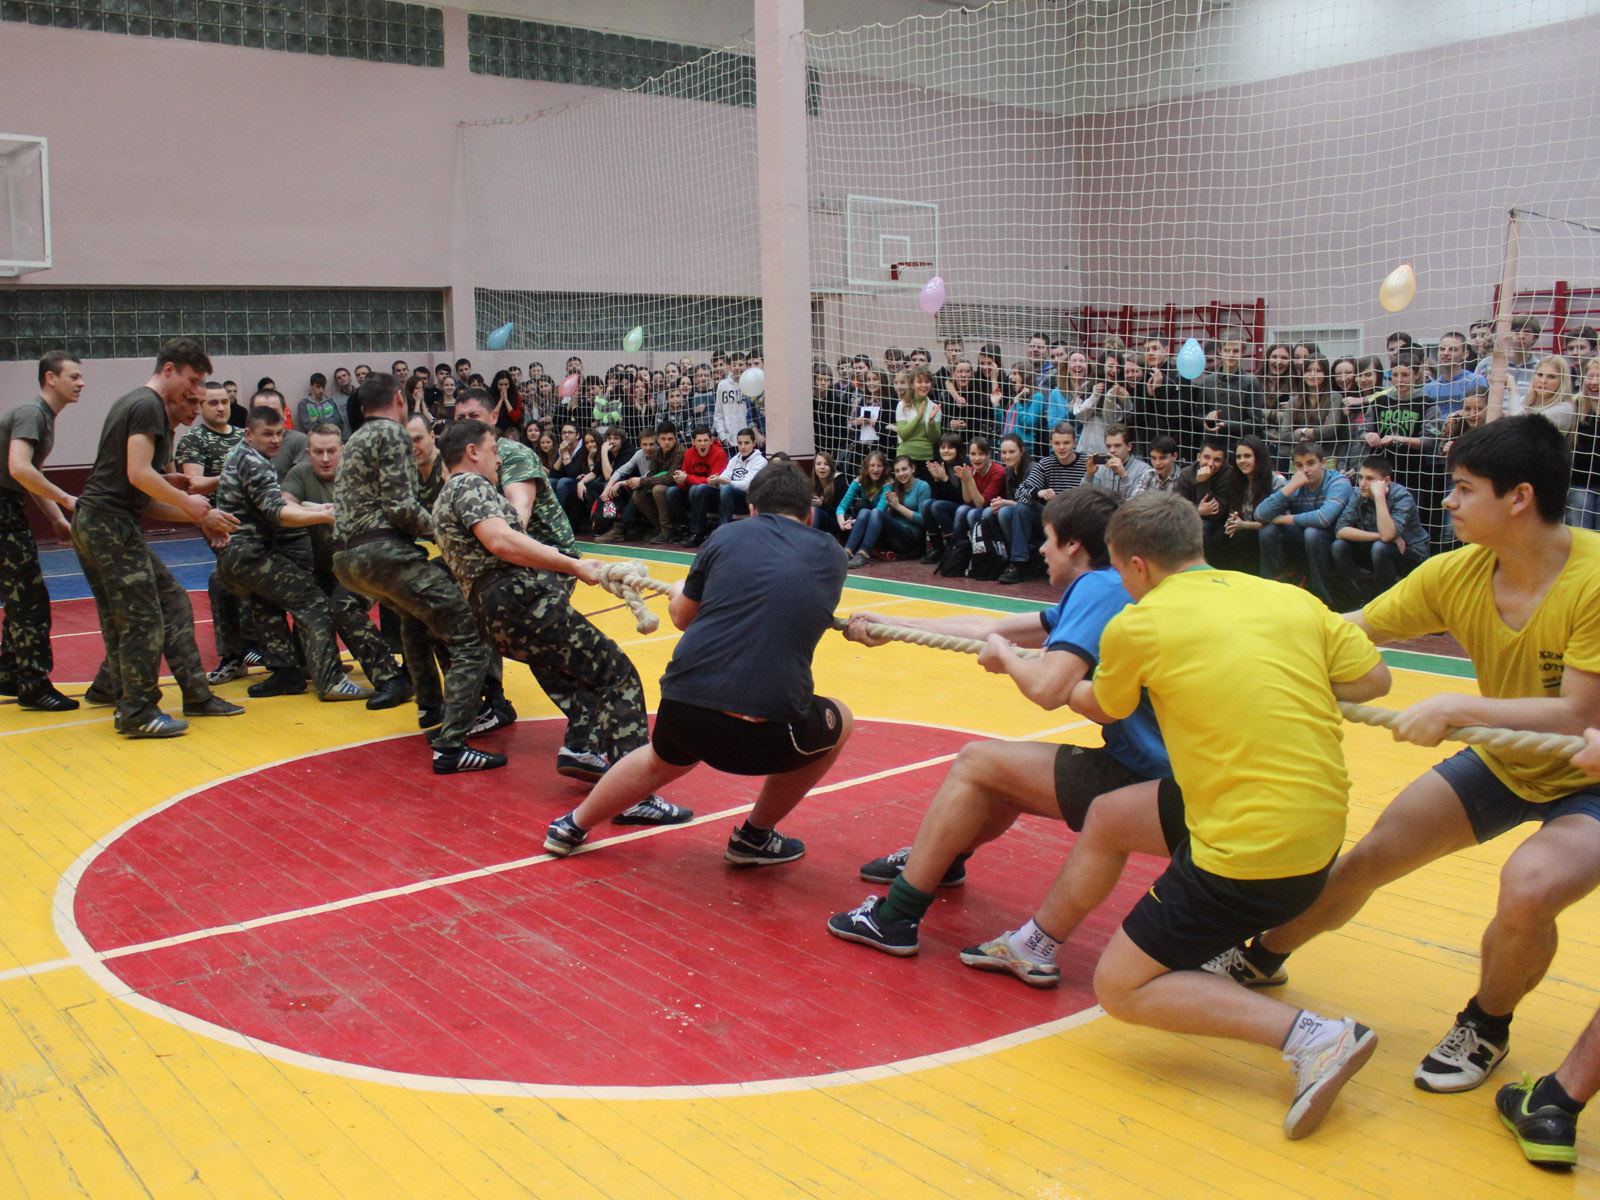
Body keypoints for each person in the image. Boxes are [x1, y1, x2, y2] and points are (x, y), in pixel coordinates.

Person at [1209, 415, 1600, 1097]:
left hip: (1588, 776)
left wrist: (1457, 708)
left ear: (1520, 498)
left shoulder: (1592, 579)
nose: (1448, 501)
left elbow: (1578, 714)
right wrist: (1248, 652)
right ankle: (1264, 956)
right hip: (1505, 759)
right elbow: (1351, 630)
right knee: (1371, 859)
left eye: (1464, 488)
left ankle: (1485, 1026)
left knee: (1529, 889)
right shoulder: (1455, 573)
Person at [1061, 492, 1389, 1139]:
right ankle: (1039, 941)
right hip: (1320, 832)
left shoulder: (1139, 623)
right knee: (1113, 815)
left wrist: (1033, 671)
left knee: (1120, 987)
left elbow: (1103, 705)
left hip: (1253, 858)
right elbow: (1374, 681)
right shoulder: (1287, 599)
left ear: (1137, 565)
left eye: (1120, 572)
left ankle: (1314, 1037)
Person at [827, 488, 1170, 970]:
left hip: (1151, 779)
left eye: (1047, 538)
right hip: (1165, 770)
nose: (1041, 549)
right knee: (1003, 773)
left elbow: (1047, 688)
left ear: (1073, 545)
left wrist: (1006, 660)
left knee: (977, 762)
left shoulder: (1099, 588)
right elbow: (993, 629)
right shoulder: (1115, 590)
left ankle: (895, 917)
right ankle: (941, 858)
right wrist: (890, 623)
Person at [543, 463, 852, 864]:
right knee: (842, 719)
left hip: (684, 711)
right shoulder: (832, 553)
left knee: (661, 759)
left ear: (752, 509)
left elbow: (682, 617)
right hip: (765, 733)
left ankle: (571, 825)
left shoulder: (725, 535)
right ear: (809, 515)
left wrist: (679, 592)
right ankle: (755, 836)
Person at [429, 419, 688, 826]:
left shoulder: (445, 496)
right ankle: (635, 795)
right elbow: (501, 540)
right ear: (471, 452)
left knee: (583, 674)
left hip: (493, 612)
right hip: (518, 599)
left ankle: (583, 746)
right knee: (617, 673)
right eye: (493, 450)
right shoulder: (469, 485)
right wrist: (574, 565)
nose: (499, 460)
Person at [71, 337, 243, 737]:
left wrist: (196, 514)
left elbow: (140, 494)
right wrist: (191, 504)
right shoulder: (147, 404)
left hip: (103, 521)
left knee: (170, 602)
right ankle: (136, 711)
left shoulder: (138, 405)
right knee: (141, 618)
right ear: (169, 369)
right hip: (108, 524)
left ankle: (186, 695)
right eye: (192, 381)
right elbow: (138, 475)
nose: (196, 394)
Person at [333, 373, 501, 774]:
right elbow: (401, 508)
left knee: (413, 619)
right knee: (470, 639)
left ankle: (430, 708)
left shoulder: (354, 440)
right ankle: (452, 746)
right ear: (399, 398)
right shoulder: (391, 433)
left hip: (348, 560)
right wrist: (449, 532)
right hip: (382, 552)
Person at [212, 407, 373, 703]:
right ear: (248, 434)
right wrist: (325, 516)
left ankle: (286, 673)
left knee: (267, 602)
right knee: (313, 602)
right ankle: (332, 681)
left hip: (238, 557)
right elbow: (278, 512)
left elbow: (275, 504)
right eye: (267, 434)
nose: (275, 440)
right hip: (249, 555)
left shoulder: (241, 455)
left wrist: (317, 508)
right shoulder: (256, 463)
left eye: (279, 434)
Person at [280, 424, 411, 709]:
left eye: (331, 451)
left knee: (344, 605)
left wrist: (310, 508)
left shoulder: (362, 476)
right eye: (318, 452)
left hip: (368, 566)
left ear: (343, 450)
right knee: (306, 596)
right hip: (329, 569)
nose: (325, 458)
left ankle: (390, 677)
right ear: (308, 453)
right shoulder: (300, 474)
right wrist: (320, 511)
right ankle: (304, 663)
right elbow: (283, 508)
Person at [0, 350, 84, 710]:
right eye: (73, 377)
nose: (81, 383)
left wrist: (55, 519)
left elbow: (30, 477)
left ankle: (9, 671)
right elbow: (19, 469)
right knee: (30, 600)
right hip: (3, 508)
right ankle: (34, 685)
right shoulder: (32, 413)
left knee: (20, 594)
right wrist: (65, 498)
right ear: (50, 378)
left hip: (9, 505)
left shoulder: (43, 417)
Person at [1254, 441, 1354, 606]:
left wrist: (1283, 519)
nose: (1305, 470)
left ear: (1323, 463)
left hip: (1338, 541)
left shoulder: (1338, 482)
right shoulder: (1295, 484)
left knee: (1313, 532)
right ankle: (1269, 589)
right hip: (1305, 540)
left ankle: (1323, 598)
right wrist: (1292, 486)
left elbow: (1324, 518)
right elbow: (1259, 515)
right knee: (1268, 529)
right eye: (1299, 465)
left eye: (1310, 463)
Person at [1331, 455, 1429, 602]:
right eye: (1361, 477)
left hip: (1411, 554)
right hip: (1377, 550)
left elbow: (1387, 535)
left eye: (1370, 479)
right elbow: (1340, 530)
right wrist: (1378, 536)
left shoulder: (1401, 497)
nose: (1363, 483)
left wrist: (1379, 496)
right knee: (1339, 546)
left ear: (1386, 481)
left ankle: (1384, 604)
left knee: (1380, 548)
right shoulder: (1359, 494)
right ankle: (1360, 601)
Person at [998, 421, 1085, 585]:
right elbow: (1020, 492)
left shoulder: (1087, 464)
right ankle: (1019, 563)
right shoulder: (1046, 464)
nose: (1061, 447)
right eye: (1057, 443)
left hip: (1077, 521)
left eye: (1066, 443)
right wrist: (1038, 493)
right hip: (1049, 521)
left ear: (1075, 442)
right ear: (1051, 444)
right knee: (1016, 509)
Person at [699, 427, 767, 547]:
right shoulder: (735, 459)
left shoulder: (761, 461)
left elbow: (746, 485)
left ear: (754, 443)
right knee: (701, 489)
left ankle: (722, 533)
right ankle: (697, 532)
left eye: (746, 443)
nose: (743, 446)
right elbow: (723, 477)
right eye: (740, 443)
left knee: (727, 488)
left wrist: (724, 482)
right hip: (729, 496)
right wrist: (716, 481)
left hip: (747, 501)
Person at [296, 373, 348, 439]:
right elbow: (307, 426)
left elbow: (337, 422)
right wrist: (328, 422)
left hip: (332, 439)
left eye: (323, 387)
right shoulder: (303, 404)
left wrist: (318, 419)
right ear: (311, 386)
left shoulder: (330, 402)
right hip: (313, 440)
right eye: (318, 387)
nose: (321, 390)